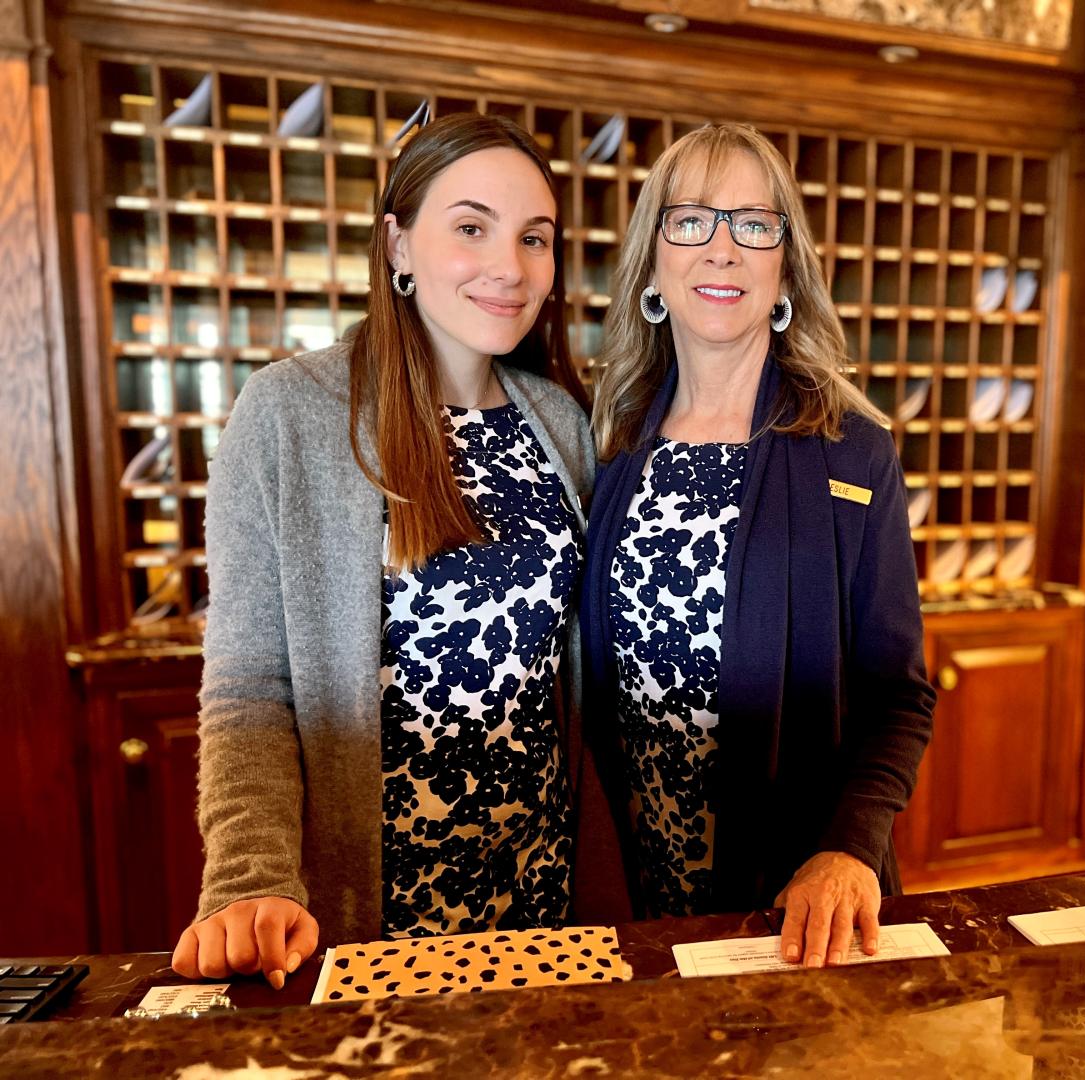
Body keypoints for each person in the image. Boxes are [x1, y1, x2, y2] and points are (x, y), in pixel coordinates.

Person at [171, 113, 593, 989]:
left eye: (535, 239)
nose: (509, 267)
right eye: (470, 228)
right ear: (398, 243)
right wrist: (250, 878)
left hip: (542, 898)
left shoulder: (559, 421)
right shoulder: (291, 411)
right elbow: (250, 683)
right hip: (372, 914)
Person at [581, 123, 935, 969]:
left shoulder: (852, 452)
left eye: (754, 223)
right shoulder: (612, 442)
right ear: (653, 266)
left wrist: (848, 848)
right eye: (692, 220)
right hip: (640, 893)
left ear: (785, 269)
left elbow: (900, 696)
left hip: (796, 905)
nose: (723, 250)